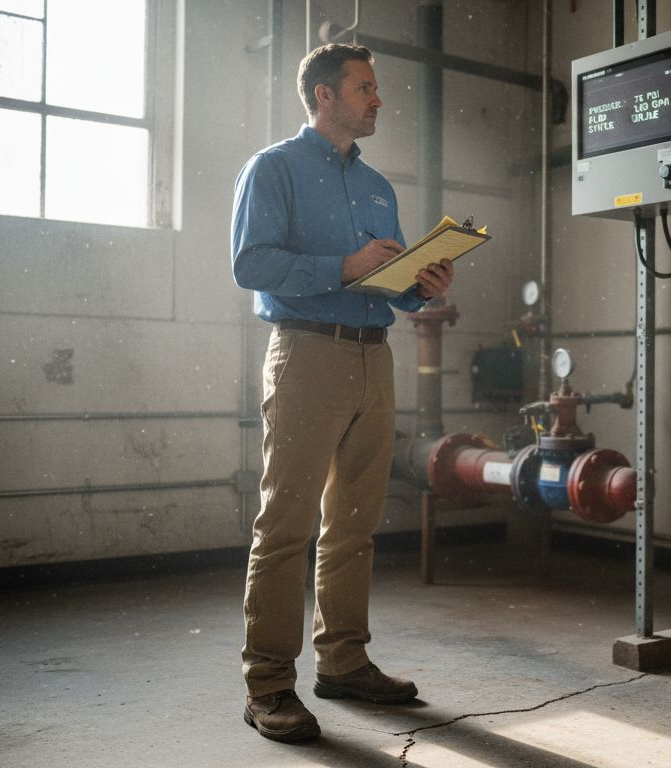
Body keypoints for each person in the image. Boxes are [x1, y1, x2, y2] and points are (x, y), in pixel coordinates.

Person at [231, 43, 455, 744]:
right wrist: (344, 264)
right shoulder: (273, 168)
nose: (376, 99)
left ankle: (345, 661)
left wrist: (423, 282)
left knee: (354, 523)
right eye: (364, 88)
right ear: (325, 96)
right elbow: (251, 263)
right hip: (305, 354)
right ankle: (268, 684)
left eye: (375, 90)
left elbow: (379, 275)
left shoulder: (379, 186)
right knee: (286, 524)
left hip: (372, 355)